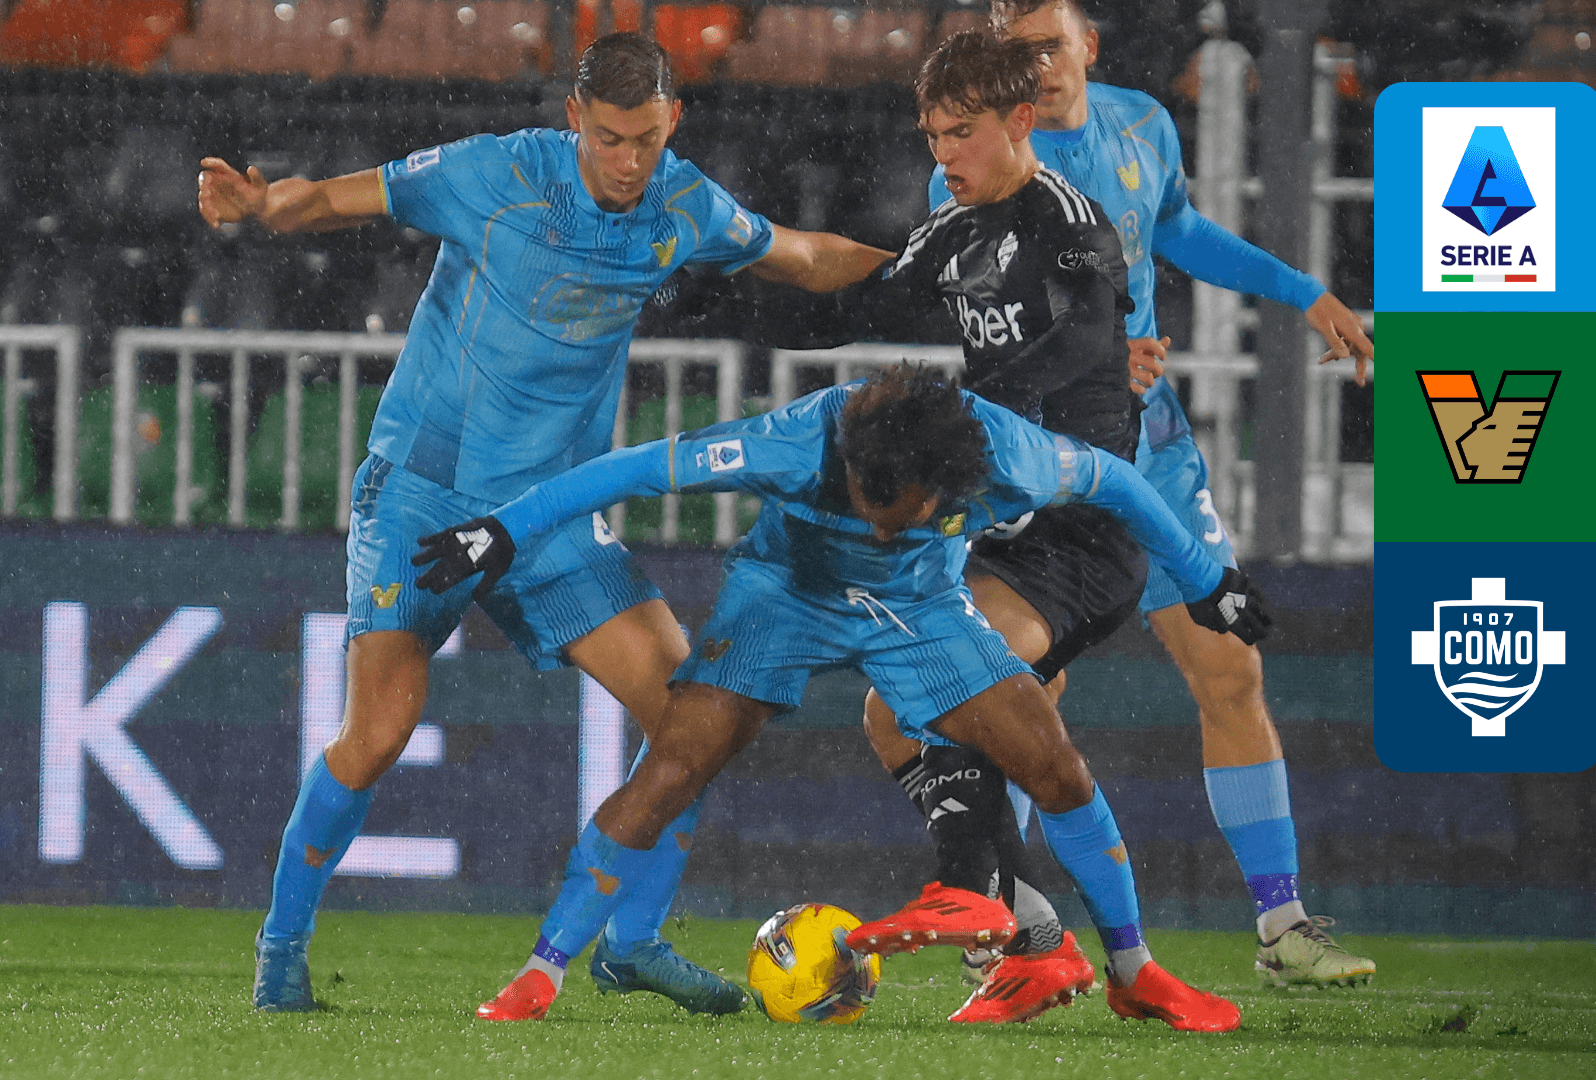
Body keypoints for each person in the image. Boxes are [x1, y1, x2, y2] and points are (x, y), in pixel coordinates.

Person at [195, 32, 895, 1014]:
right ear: (574, 119)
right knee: (380, 731)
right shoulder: (496, 174)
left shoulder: (685, 202)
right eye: (609, 138)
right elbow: (334, 199)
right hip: (424, 491)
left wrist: (924, 268)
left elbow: (807, 257)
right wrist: (265, 205)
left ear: (673, 122)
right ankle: (281, 951)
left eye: (645, 139)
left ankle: (631, 943)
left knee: (692, 716)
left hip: (551, 512)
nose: (628, 162)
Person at [418, 364, 1266, 1031]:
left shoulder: (1013, 456)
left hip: (920, 608)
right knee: (674, 765)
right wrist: (501, 529)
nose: (883, 527)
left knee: (1058, 768)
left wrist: (1208, 579)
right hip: (785, 595)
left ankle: (1133, 971)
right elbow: (636, 468)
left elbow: (1120, 481)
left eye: (903, 514)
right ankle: (542, 971)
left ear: (949, 484)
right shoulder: (793, 442)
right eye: (871, 507)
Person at [918, 0, 1376, 989]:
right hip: (1044, 465)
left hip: (1151, 455)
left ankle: (1283, 925)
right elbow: (985, 337)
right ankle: (1002, 926)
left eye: (1049, 45)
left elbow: (1177, 229)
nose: (1035, 67)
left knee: (1231, 670)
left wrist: (1304, 292)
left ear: (1088, 45)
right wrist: (1085, 362)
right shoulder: (977, 167)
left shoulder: (1141, 126)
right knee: (1020, 695)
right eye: (1015, 53)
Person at [764, 29, 1202, 1024]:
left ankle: (986, 902)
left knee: (948, 677)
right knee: (897, 715)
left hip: (1085, 533)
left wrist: (959, 412)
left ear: (1019, 122)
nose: (944, 154)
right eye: (932, 137)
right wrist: (753, 273)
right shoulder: (955, 230)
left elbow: (1077, 348)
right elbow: (872, 295)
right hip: (1009, 529)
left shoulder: (1072, 226)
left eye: (961, 132)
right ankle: (1046, 945)